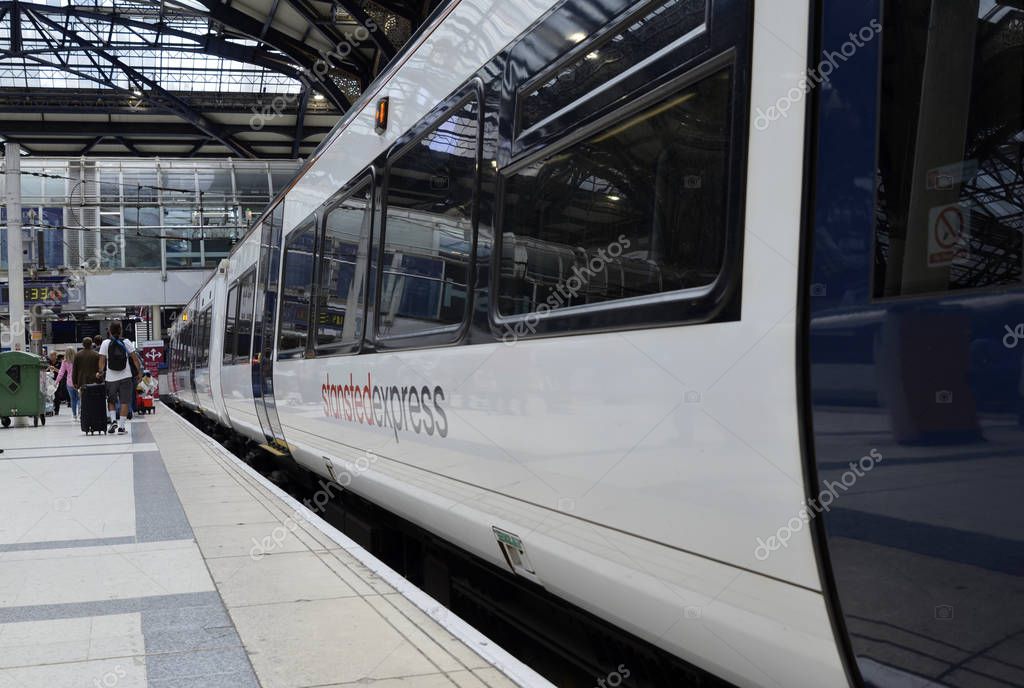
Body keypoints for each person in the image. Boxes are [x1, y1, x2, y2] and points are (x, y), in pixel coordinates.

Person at [97, 323, 142, 434]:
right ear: (121, 331)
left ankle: (113, 421)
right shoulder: (126, 342)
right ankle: (122, 427)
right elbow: (135, 359)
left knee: (111, 400)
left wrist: (101, 372)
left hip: (110, 378)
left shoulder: (105, 343)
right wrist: (139, 372)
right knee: (124, 402)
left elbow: (102, 360)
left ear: (109, 331)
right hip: (126, 377)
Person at [54, 349, 77, 419]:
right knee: (79, 399)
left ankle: (74, 415)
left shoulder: (64, 362)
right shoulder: (77, 360)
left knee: (73, 399)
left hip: (69, 382)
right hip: (78, 382)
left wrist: (56, 382)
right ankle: (80, 413)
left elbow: (61, 373)